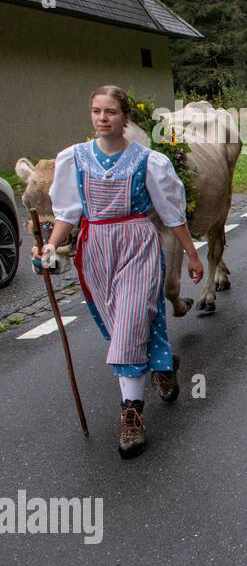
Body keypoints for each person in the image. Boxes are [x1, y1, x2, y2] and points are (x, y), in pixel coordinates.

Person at [31, 85, 204, 458]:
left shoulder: (148, 161)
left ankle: (131, 416)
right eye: (96, 111)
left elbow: (172, 215)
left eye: (110, 111)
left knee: (128, 328)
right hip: (96, 251)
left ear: (125, 118)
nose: (102, 118)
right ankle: (160, 363)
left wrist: (191, 254)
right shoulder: (73, 159)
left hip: (137, 245)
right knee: (122, 328)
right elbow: (67, 215)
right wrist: (50, 244)